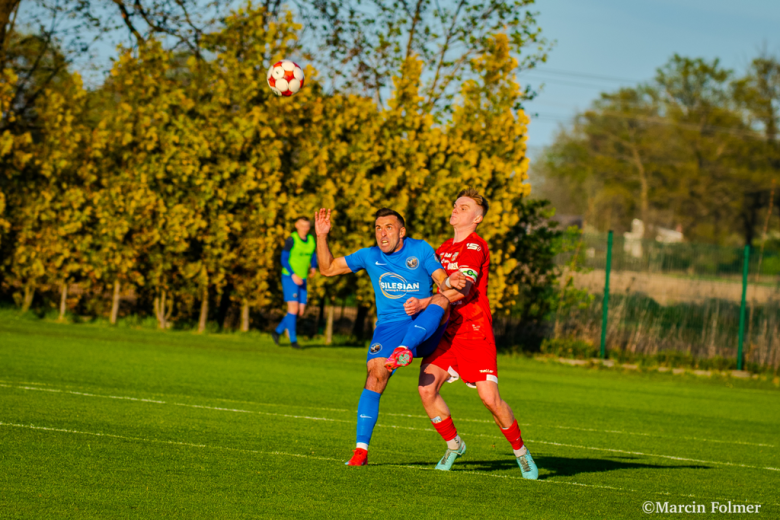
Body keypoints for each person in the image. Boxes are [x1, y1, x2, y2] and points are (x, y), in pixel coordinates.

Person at [314, 207, 466, 466]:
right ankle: (361, 450)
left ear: (402, 232)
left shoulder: (420, 250)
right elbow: (328, 269)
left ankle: (404, 349)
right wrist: (321, 236)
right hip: (389, 327)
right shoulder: (369, 255)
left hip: (425, 323)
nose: (382, 234)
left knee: (441, 300)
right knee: (375, 373)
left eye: (389, 227)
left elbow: (441, 282)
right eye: (378, 228)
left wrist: (450, 280)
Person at [405, 188, 539, 479]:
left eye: (463, 207)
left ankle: (521, 453)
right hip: (446, 331)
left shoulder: (475, 247)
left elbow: (462, 289)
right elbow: (426, 285)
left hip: (473, 329)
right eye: (455, 205)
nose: (455, 210)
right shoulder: (441, 250)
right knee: (426, 389)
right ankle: (454, 445)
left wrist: (424, 303)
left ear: (477, 218)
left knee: (490, 399)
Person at [272, 217, 318, 349]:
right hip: (289, 277)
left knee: (300, 311)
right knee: (293, 308)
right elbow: (284, 259)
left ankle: (277, 332)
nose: (305, 229)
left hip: (303, 279)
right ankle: (293, 340)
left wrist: (313, 267)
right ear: (297, 225)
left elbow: (313, 255)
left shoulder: (311, 240)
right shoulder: (291, 239)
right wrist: (293, 274)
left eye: (307, 226)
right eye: (302, 226)